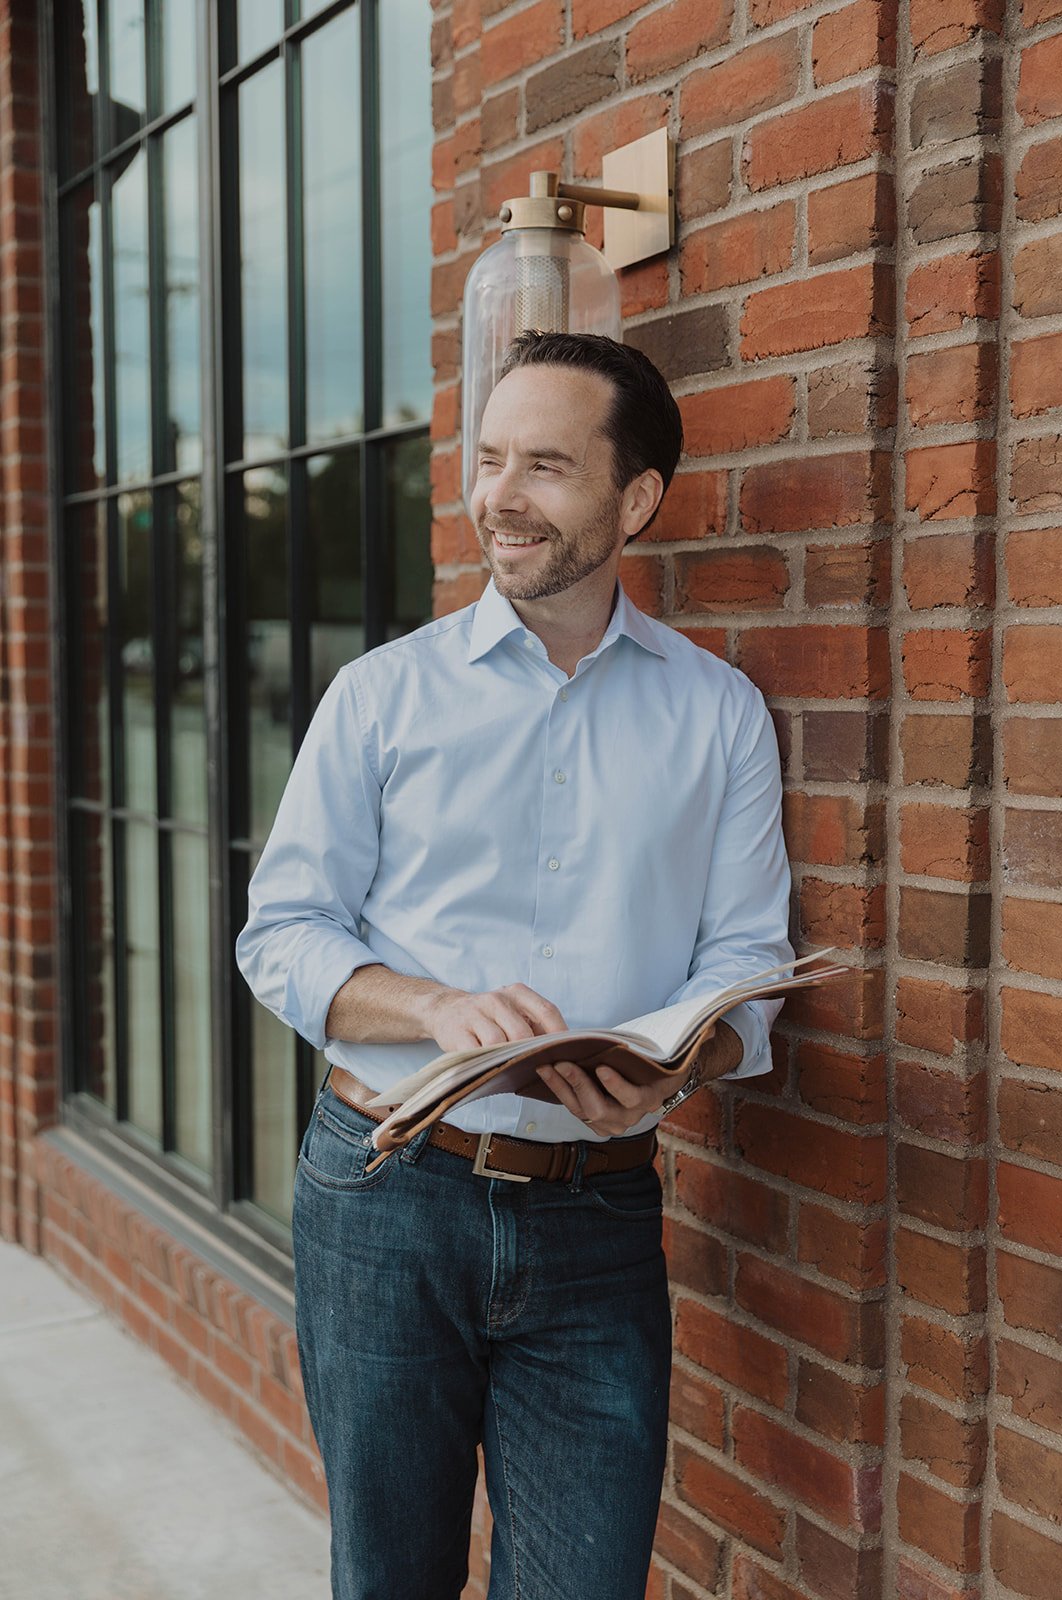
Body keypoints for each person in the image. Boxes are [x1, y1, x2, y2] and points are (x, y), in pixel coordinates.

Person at [236, 331, 792, 1600]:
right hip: (385, 1200)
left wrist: (674, 1069)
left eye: (544, 463)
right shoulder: (380, 697)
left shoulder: (717, 715)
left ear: (633, 498)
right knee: (391, 1577)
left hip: (596, 1215)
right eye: (487, 460)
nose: (499, 495)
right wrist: (432, 1003)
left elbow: (743, 959)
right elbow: (282, 933)